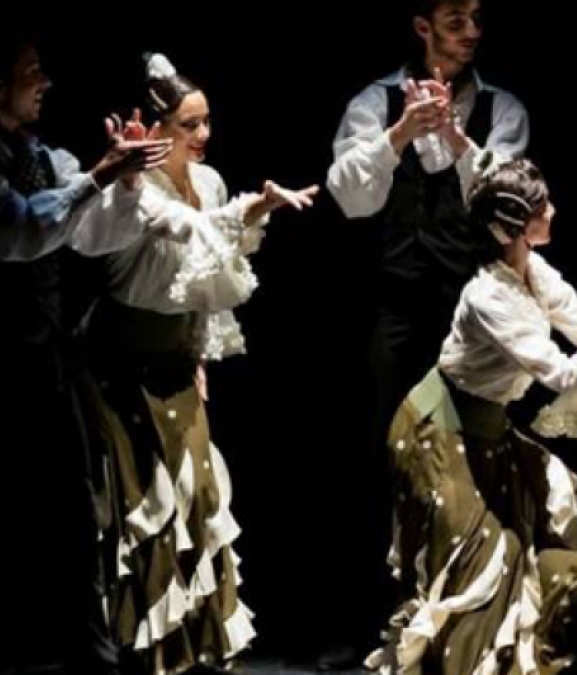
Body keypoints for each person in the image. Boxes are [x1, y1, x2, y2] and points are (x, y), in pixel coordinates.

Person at [365, 157, 577, 675]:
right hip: (436, 431)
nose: (552, 210)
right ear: (512, 227)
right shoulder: (488, 296)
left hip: (488, 430)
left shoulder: (533, 270)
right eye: (540, 207)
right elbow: (563, 374)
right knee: (480, 570)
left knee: (567, 523)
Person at [80, 52, 317, 675]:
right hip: (120, 366)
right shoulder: (135, 189)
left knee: (200, 500)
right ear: (157, 129)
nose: (204, 134)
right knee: (148, 511)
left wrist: (198, 353)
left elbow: (204, 277)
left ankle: (195, 650)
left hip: (175, 362)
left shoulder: (208, 182)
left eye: (207, 120)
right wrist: (253, 209)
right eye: (190, 124)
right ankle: (149, 655)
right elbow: (187, 228)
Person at [323, 0, 528, 667]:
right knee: (387, 456)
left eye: (477, 20)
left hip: (473, 312)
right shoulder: (374, 102)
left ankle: (470, 624)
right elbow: (349, 195)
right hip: (396, 305)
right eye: (456, 19)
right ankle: (378, 623)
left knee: (474, 462)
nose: (472, 33)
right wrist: (402, 132)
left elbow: (509, 201)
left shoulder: (501, 109)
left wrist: (460, 141)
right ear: (422, 26)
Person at [1, 30, 173, 675]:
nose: (45, 83)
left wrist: (124, 183)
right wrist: (102, 174)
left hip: (46, 354)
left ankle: (83, 649)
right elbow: (19, 231)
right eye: (31, 70)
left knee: (72, 503)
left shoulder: (46, 156)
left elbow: (95, 236)